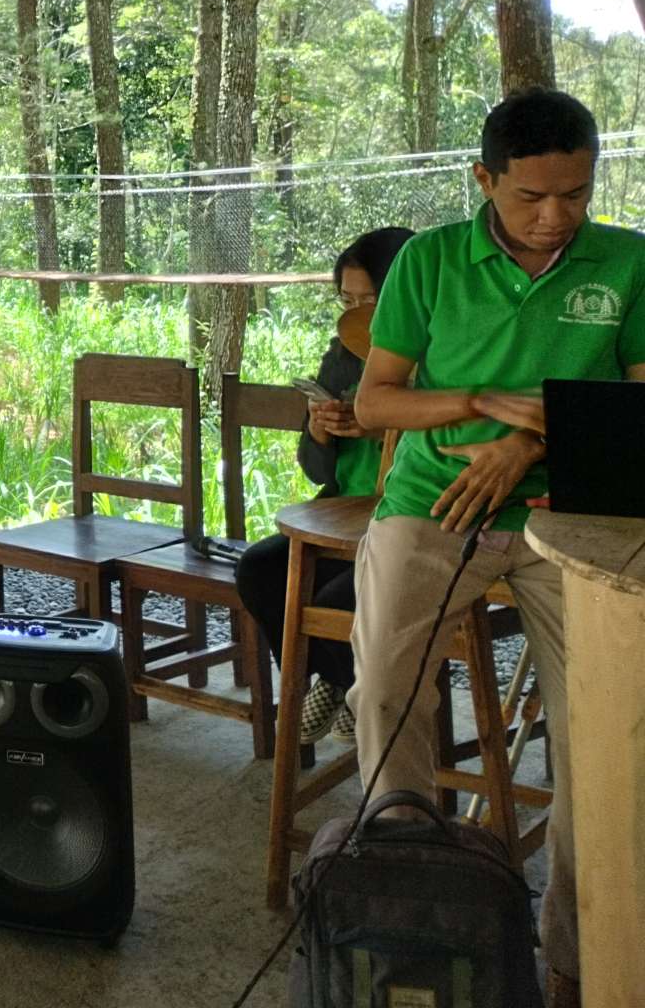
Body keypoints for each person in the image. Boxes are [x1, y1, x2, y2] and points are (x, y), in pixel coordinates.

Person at [350, 88, 645, 1008]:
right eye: (532, 197)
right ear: (485, 180)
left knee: (603, 728)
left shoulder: (631, 262)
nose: (557, 217)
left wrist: (532, 439)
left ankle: (578, 951)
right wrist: (478, 403)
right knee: (385, 690)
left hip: (579, 520)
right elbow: (375, 405)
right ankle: (414, 909)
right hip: (433, 504)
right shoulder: (432, 261)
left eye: (576, 194)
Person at [233, 226, 413, 744]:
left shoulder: (436, 353)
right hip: (345, 512)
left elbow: (448, 442)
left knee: (335, 599)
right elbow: (318, 472)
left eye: (371, 300)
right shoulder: (341, 356)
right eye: (347, 299)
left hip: (401, 516)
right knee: (261, 570)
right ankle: (336, 680)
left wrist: (384, 423)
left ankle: (350, 686)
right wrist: (319, 430)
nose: (358, 312)